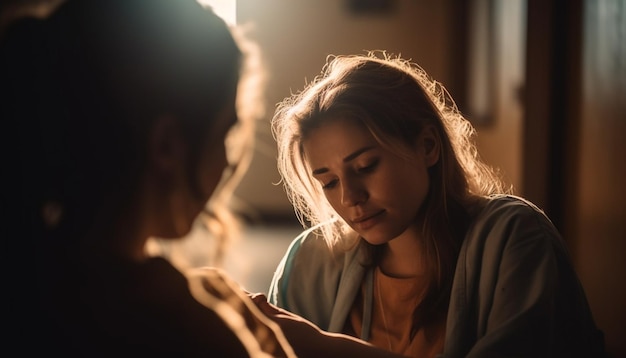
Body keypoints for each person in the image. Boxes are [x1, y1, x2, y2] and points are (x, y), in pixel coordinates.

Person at [2, 1, 409, 357]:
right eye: (226, 136)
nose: (230, 163)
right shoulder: (180, 326)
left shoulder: (35, 281)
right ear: (167, 148)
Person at [268, 52, 606, 357]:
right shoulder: (309, 263)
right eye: (329, 182)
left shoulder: (513, 238)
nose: (349, 198)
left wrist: (324, 346)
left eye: (366, 166)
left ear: (428, 146)